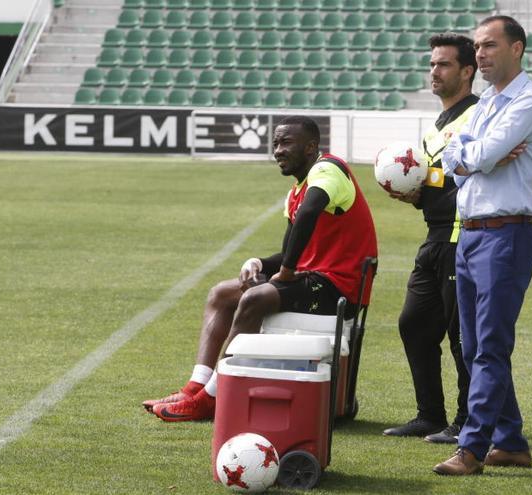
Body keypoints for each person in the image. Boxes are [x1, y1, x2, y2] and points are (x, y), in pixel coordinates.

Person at [143, 116, 378, 422]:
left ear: (310, 148)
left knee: (254, 299)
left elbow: (309, 214)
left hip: (339, 288)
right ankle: (196, 386)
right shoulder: (297, 191)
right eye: (275, 143)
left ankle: (212, 398)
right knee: (222, 293)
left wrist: (288, 270)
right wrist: (259, 263)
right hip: (316, 279)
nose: (278, 150)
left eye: (286, 143)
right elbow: (291, 246)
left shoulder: (328, 170)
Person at [432, 15, 532, 475]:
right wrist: (479, 154)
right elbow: (454, 156)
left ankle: (472, 448)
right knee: (474, 345)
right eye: (477, 47)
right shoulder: (485, 105)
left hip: (508, 233)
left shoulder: (530, 101)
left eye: (489, 46)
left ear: (516, 48)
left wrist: (478, 154)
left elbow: (474, 155)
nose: (480, 54)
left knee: (489, 347)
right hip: (473, 233)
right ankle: (511, 442)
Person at [382, 33, 477, 444]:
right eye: (432, 64)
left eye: (444, 64)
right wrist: (412, 195)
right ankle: (430, 415)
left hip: (464, 240)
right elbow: (436, 190)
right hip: (435, 238)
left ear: (467, 72)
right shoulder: (431, 131)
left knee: (461, 338)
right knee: (414, 324)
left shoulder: (478, 117)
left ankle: (466, 422)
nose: (434, 71)